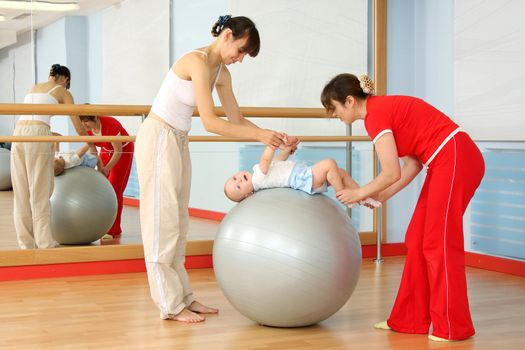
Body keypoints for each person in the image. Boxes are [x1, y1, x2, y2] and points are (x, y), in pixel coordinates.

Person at [135, 15, 290, 323]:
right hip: (158, 136)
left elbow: (235, 119)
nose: (240, 59)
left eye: (245, 55)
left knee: (179, 221)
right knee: (161, 222)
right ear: (228, 35)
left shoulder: (221, 72)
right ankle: (169, 304)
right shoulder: (195, 61)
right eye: (241, 50)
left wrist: (273, 138)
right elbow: (209, 122)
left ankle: (185, 297)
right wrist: (260, 137)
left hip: (177, 140)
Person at [320, 73, 485, 341]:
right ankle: (409, 320)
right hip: (444, 161)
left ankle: (453, 327)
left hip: (456, 157)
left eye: (334, 109)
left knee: (438, 242)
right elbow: (412, 165)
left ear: (349, 101)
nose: (334, 115)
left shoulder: (376, 117)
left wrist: (360, 192)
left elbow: (391, 172)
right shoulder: (379, 111)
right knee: (417, 239)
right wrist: (381, 196)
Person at [11, 64, 88, 249]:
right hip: (37, 134)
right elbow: (78, 127)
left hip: (17, 134)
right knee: (39, 190)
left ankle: (26, 243)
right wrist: (94, 140)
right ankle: (44, 242)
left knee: (21, 193)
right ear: (66, 80)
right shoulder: (62, 91)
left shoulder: (34, 87)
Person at [224, 143, 381, 208]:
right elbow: (266, 160)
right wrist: (271, 144)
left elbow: (278, 161)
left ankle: (362, 197)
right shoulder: (258, 177)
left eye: (234, 178)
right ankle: (345, 196)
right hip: (302, 178)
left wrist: (287, 150)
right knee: (329, 163)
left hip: (304, 174)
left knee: (340, 173)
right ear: (248, 194)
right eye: (238, 186)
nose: (238, 179)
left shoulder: (261, 174)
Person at [80, 115, 134, 239]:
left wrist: (107, 168)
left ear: (95, 118)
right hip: (105, 151)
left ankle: (112, 230)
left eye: (86, 121)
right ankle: (103, 225)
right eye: (81, 121)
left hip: (122, 152)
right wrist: (99, 166)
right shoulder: (86, 130)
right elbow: (93, 150)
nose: (84, 124)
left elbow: (118, 151)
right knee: (102, 189)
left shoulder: (110, 125)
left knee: (115, 190)